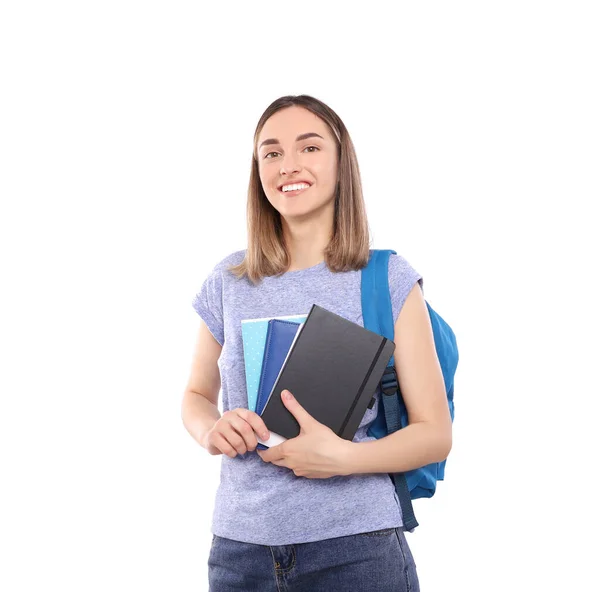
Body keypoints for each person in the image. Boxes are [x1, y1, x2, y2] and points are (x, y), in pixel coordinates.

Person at [181, 94, 452, 592]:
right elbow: (195, 396)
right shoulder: (228, 279)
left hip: (358, 550)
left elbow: (435, 433)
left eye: (309, 148)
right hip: (241, 553)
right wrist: (211, 430)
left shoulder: (386, 278)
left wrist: (341, 458)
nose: (289, 166)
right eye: (272, 152)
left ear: (340, 162)